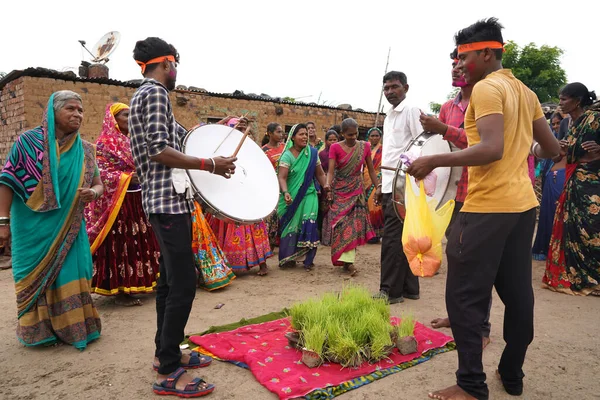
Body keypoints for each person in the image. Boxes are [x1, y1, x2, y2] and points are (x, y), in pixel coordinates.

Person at [407, 19, 560, 400]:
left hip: (488, 208)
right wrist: (527, 148)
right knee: (518, 293)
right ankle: (512, 371)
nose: (460, 65)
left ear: (488, 53)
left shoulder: (488, 89)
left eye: (465, 57)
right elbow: (551, 149)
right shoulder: (524, 91)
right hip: (523, 207)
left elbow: (492, 149)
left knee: (463, 296)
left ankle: (471, 385)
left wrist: (433, 161)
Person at [130, 37, 236, 397]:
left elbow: (184, 138)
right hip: (168, 202)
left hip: (164, 203)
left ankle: (167, 354)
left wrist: (220, 129)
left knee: (168, 281)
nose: (177, 72)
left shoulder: (145, 96)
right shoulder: (155, 93)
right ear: (167, 63)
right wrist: (210, 164)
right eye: (176, 65)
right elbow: (160, 150)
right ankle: (168, 371)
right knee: (184, 283)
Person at [0, 90, 103, 349]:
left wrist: (93, 192)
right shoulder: (28, 143)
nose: (77, 114)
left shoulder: (86, 150)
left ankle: (73, 328)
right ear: (52, 111)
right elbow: (7, 182)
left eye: (80, 110)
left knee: (71, 270)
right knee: (32, 274)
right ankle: (40, 331)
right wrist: (2, 222)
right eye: (70, 108)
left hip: (70, 225)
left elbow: (99, 184)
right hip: (31, 227)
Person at [420, 49, 492, 349]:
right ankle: (457, 316)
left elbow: (482, 145)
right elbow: (439, 145)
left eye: (460, 63)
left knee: (479, 263)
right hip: (451, 193)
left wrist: (444, 129)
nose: (456, 68)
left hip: (480, 192)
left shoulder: (486, 101)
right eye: (452, 64)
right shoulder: (449, 106)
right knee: (456, 257)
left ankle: (482, 327)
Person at [84, 103, 160, 306]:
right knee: (121, 245)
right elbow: (101, 174)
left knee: (141, 242)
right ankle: (120, 290)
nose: (131, 118)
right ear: (113, 119)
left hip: (138, 199)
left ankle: (141, 282)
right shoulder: (104, 143)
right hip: (118, 203)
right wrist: (127, 177)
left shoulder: (134, 141)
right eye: (126, 115)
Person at [543, 82, 600, 296]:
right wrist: (561, 149)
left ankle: (595, 279)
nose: (560, 103)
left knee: (592, 229)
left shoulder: (596, 119)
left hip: (593, 182)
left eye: (564, 99)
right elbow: (559, 156)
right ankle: (580, 278)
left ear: (577, 101)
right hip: (573, 181)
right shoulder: (570, 124)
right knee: (573, 229)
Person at [373, 70, 423, 304]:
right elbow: (391, 151)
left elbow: (423, 143)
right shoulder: (389, 115)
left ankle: (389, 291)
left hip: (403, 184)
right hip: (389, 181)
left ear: (406, 88)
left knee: (392, 237)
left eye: (394, 87)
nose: (390, 92)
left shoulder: (411, 110)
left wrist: (406, 171)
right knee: (403, 234)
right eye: (386, 88)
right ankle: (409, 287)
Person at [208, 117, 273, 276]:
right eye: (237, 129)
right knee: (224, 229)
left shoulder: (250, 148)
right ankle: (227, 265)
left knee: (255, 228)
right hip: (226, 193)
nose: (241, 132)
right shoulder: (221, 147)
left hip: (247, 192)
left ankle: (262, 263)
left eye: (243, 130)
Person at [325, 118, 378, 275]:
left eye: (355, 134)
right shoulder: (335, 148)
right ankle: (343, 259)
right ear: (342, 134)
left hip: (356, 190)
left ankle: (349, 262)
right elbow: (331, 171)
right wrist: (328, 186)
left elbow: (371, 169)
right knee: (341, 225)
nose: (353, 137)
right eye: (349, 135)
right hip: (340, 190)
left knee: (354, 226)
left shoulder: (364, 146)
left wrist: (378, 187)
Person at [277, 124, 330, 271]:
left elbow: (319, 174)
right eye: (301, 134)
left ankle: (308, 258)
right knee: (292, 226)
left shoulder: (312, 153)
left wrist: (326, 185)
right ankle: (289, 257)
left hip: (309, 194)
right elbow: (282, 177)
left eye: (306, 134)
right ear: (293, 137)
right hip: (291, 196)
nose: (305, 137)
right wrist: (286, 192)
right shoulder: (287, 155)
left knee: (309, 221)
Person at [532, 112, 566, 261]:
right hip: (550, 179)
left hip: (561, 178)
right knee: (548, 215)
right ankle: (546, 250)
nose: (556, 126)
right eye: (553, 124)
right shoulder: (550, 141)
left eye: (559, 123)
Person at [262, 122, 286, 248]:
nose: (281, 134)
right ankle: (269, 243)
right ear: (270, 133)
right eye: (278, 132)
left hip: (285, 185)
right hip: (272, 186)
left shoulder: (285, 148)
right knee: (272, 215)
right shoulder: (264, 151)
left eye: (282, 132)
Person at [363, 127, 384, 243]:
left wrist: (380, 180)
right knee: (365, 206)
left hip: (378, 179)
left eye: (377, 136)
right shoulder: (365, 149)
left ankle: (377, 233)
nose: (375, 138)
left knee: (374, 204)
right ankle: (369, 234)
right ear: (368, 137)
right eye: (372, 135)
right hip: (365, 179)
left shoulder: (383, 150)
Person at [318, 130, 339, 244]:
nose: (332, 142)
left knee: (337, 209)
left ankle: (336, 238)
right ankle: (326, 238)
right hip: (326, 182)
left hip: (339, 183)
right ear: (326, 141)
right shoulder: (321, 154)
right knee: (326, 211)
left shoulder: (341, 152)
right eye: (330, 140)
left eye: (335, 139)